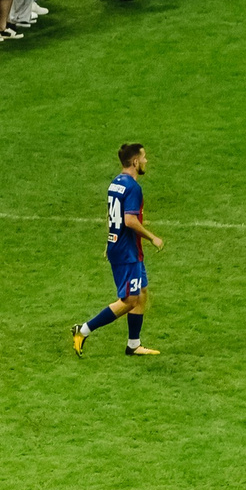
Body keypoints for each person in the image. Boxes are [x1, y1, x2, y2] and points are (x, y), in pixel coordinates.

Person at [72, 142, 162, 357]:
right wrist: (153, 238)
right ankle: (82, 331)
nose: (146, 161)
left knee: (141, 292)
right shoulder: (132, 187)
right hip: (126, 251)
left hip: (121, 246)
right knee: (130, 300)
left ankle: (133, 344)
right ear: (135, 161)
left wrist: (109, 241)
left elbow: (113, 217)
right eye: (144, 157)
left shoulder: (116, 183)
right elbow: (129, 220)